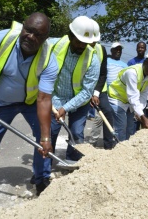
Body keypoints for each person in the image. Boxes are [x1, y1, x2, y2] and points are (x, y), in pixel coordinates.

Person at [0, 12, 58, 210]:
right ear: (22, 27)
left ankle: (41, 180)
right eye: (28, 30)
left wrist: (47, 138)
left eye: (37, 35)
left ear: (45, 38)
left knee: (43, 137)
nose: (30, 37)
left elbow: (44, 98)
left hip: (31, 102)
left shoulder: (49, 59)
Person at [49, 16, 100, 161]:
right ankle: (45, 168)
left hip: (79, 103)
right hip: (56, 98)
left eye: (85, 43)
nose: (81, 46)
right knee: (50, 132)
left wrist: (65, 108)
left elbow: (86, 92)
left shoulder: (93, 59)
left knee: (76, 134)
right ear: (70, 36)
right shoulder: (54, 45)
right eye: (78, 42)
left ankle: (71, 164)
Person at [108, 50, 148, 141]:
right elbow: (133, 97)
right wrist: (143, 117)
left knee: (130, 128)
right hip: (117, 99)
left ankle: (129, 150)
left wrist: (139, 112)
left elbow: (144, 95)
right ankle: (119, 150)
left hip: (129, 102)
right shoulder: (132, 72)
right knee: (121, 127)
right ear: (145, 62)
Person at [89, 41, 127, 146]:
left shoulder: (125, 65)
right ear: (112, 50)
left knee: (111, 118)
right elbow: (102, 74)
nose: (118, 51)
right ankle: (92, 142)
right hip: (103, 93)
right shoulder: (107, 60)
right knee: (99, 118)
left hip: (116, 98)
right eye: (116, 49)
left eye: (120, 49)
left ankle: (110, 144)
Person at [88, 19, 116, 150]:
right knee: (80, 117)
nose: (93, 43)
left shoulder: (101, 49)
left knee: (108, 112)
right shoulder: (80, 48)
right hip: (81, 88)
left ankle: (109, 146)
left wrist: (96, 93)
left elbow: (103, 73)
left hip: (99, 89)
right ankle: (77, 148)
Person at [127, 42, 148, 133]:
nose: (140, 49)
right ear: (136, 49)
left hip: (143, 94)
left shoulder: (147, 62)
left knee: (141, 117)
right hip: (132, 93)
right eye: (139, 47)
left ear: (145, 49)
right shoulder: (131, 62)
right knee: (132, 120)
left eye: (142, 48)